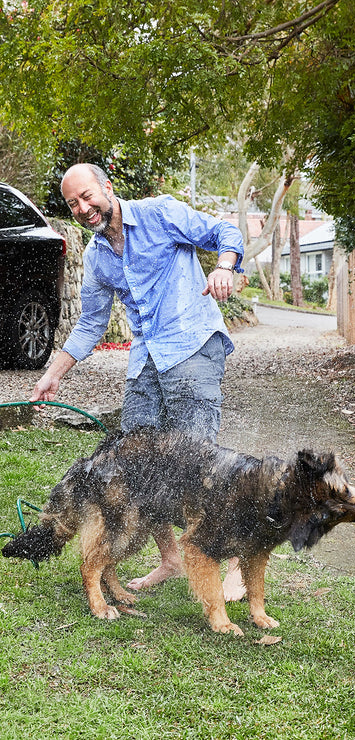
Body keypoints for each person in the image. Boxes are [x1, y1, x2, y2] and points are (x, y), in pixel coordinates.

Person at [30, 163, 249, 602]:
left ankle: (237, 566)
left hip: (192, 345)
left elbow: (223, 231)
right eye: (73, 203)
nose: (83, 207)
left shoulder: (159, 213)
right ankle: (169, 558)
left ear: (107, 187)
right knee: (136, 467)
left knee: (197, 464)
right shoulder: (95, 257)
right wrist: (51, 376)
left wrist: (225, 267)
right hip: (146, 359)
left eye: (87, 195)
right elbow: (90, 324)